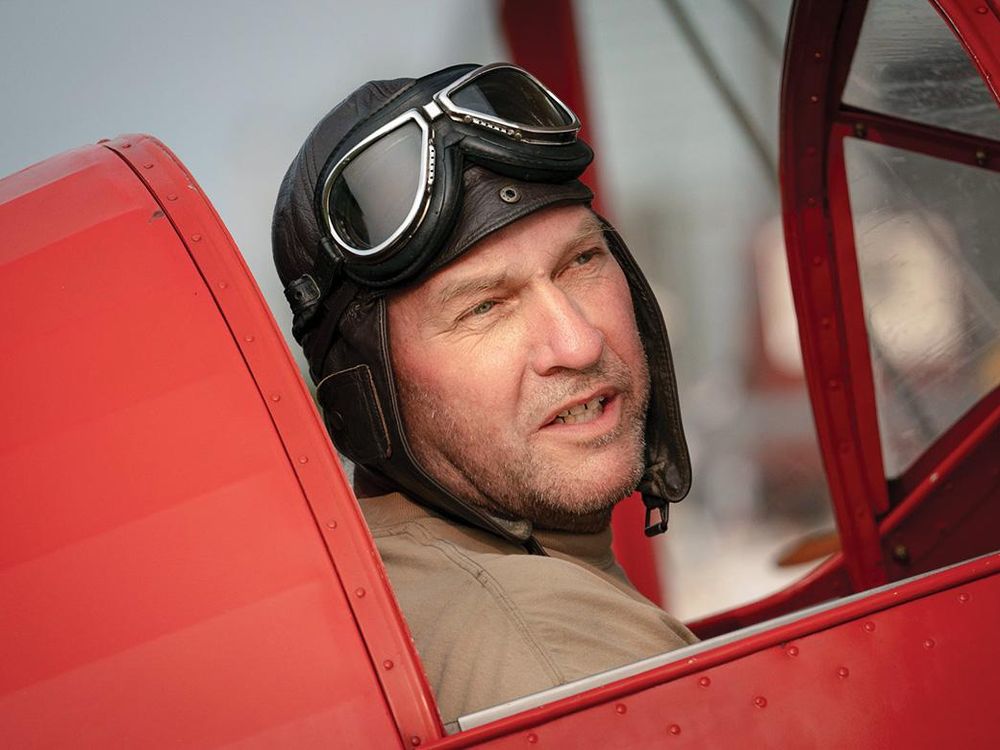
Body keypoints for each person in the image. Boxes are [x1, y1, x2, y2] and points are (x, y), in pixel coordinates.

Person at [272, 62, 697, 728]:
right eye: (484, 309)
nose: (578, 344)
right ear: (363, 401)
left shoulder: (412, 585)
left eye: (581, 262)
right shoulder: (556, 655)